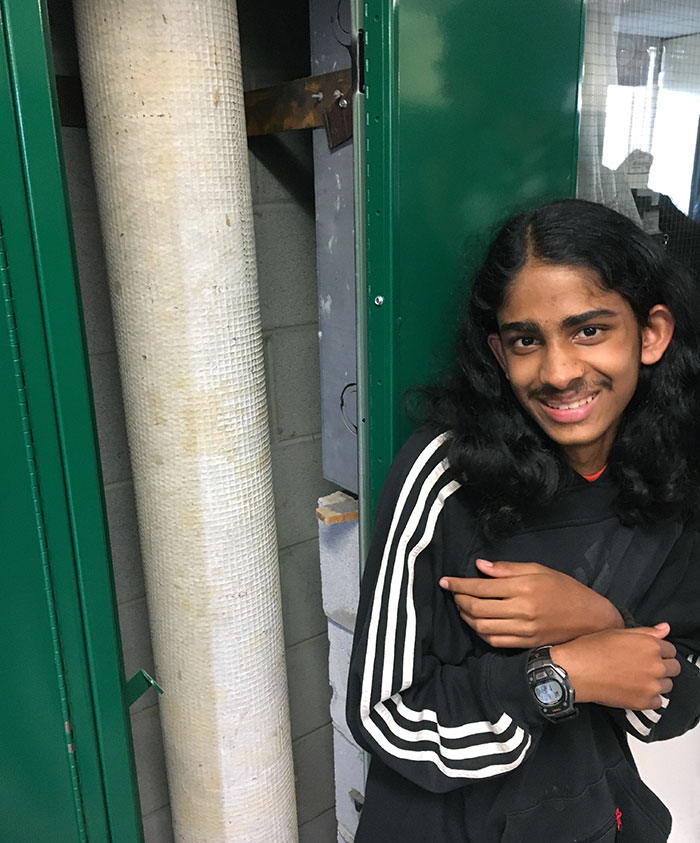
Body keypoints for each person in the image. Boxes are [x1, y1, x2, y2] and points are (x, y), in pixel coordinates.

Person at [346, 199, 700, 842]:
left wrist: (597, 620)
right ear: (498, 351)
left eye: (590, 330)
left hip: (588, 818)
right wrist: (560, 677)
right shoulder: (444, 474)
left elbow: (677, 696)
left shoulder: (679, 477)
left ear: (651, 333)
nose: (559, 372)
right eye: (526, 341)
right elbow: (384, 718)